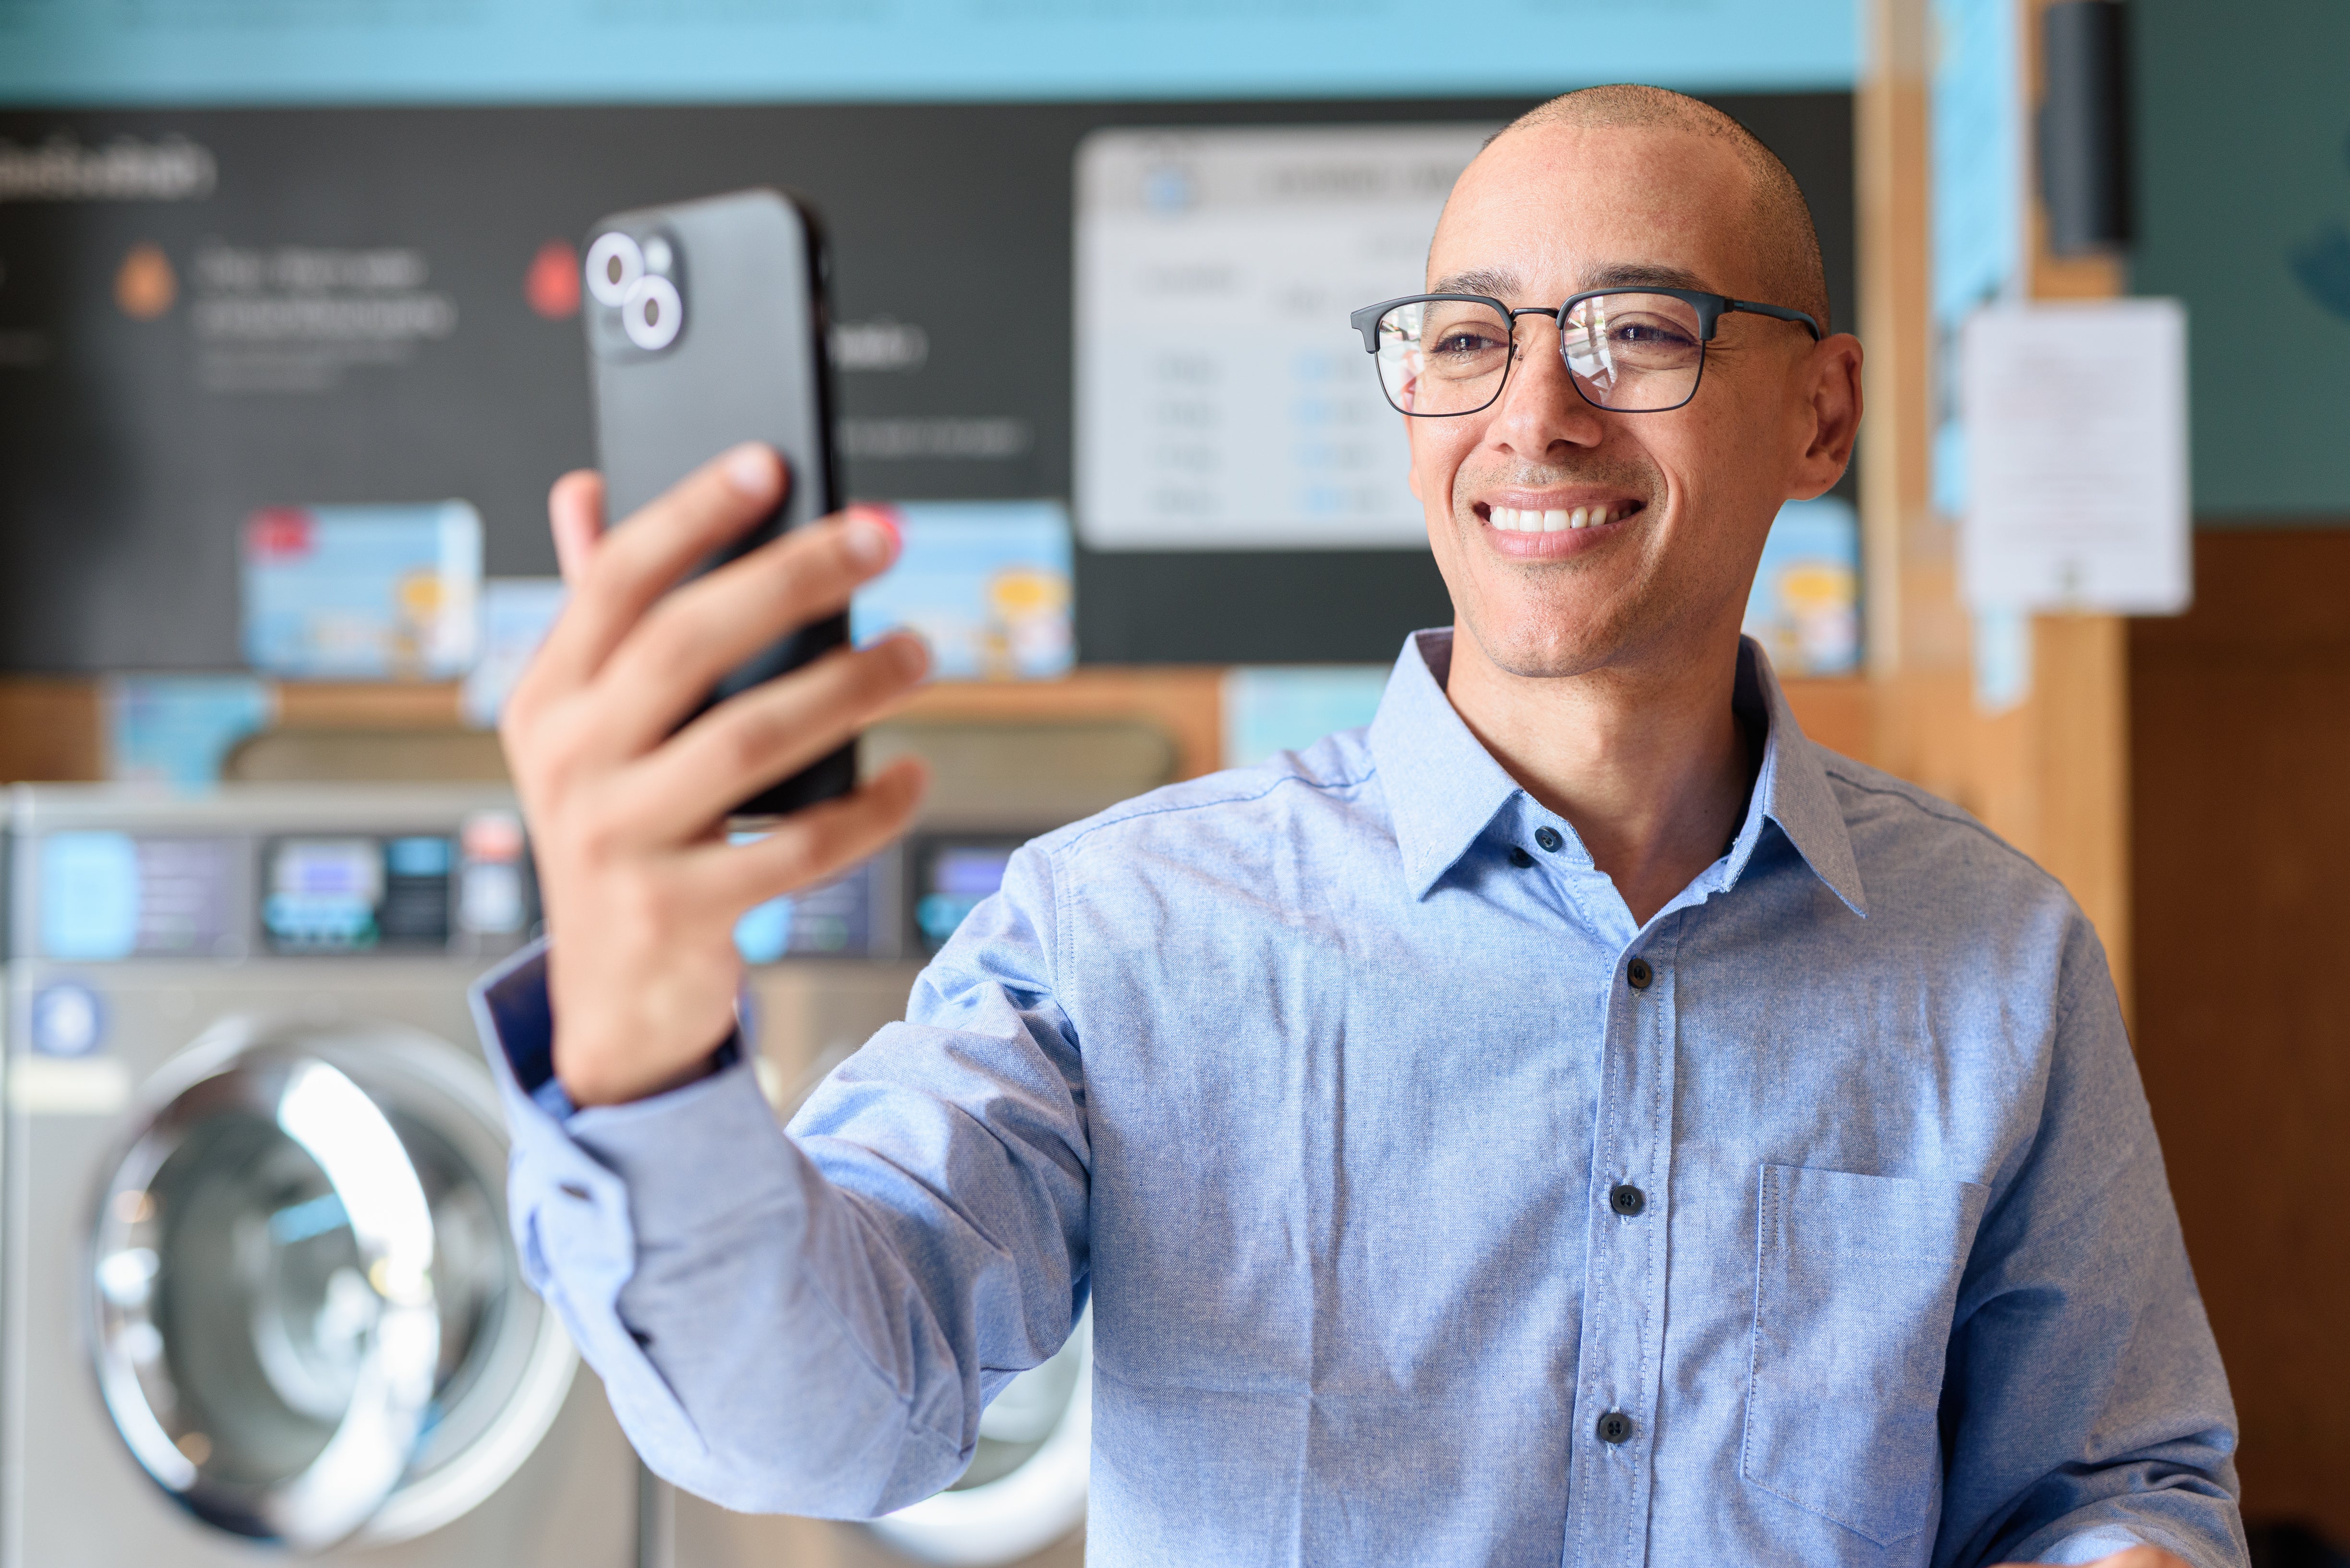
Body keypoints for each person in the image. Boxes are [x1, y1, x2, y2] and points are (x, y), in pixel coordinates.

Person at [476, 85, 2245, 1568]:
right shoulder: (1125, 926)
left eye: (1636, 332)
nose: (1532, 416)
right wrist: (642, 1060)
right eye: (1465, 341)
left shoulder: (1999, 955)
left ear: (1823, 412)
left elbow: (2111, 1479)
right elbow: (836, 1415)